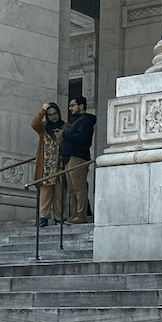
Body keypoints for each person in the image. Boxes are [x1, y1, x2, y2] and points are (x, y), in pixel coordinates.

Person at [61, 95, 96, 224]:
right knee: (71, 189)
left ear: (81, 106)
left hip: (79, 157)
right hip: (70, 157)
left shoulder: (86, 120)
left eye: (72, 105)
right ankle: (74, 215)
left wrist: (64, 134)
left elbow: (82, 138)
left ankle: (81, 215)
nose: (70, 108)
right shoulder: (78, 121)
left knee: (79, 188)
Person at [31, 102, 65, 226]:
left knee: (59, 194)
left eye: (55, 114)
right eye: (50, 114)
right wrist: (42, 110)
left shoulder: (65, 126)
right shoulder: (44, 126)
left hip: (60, 165)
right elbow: (34, 124)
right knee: (45, 193)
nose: (53, 117)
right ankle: (44, 217)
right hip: (45, 166)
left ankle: (58, 218)